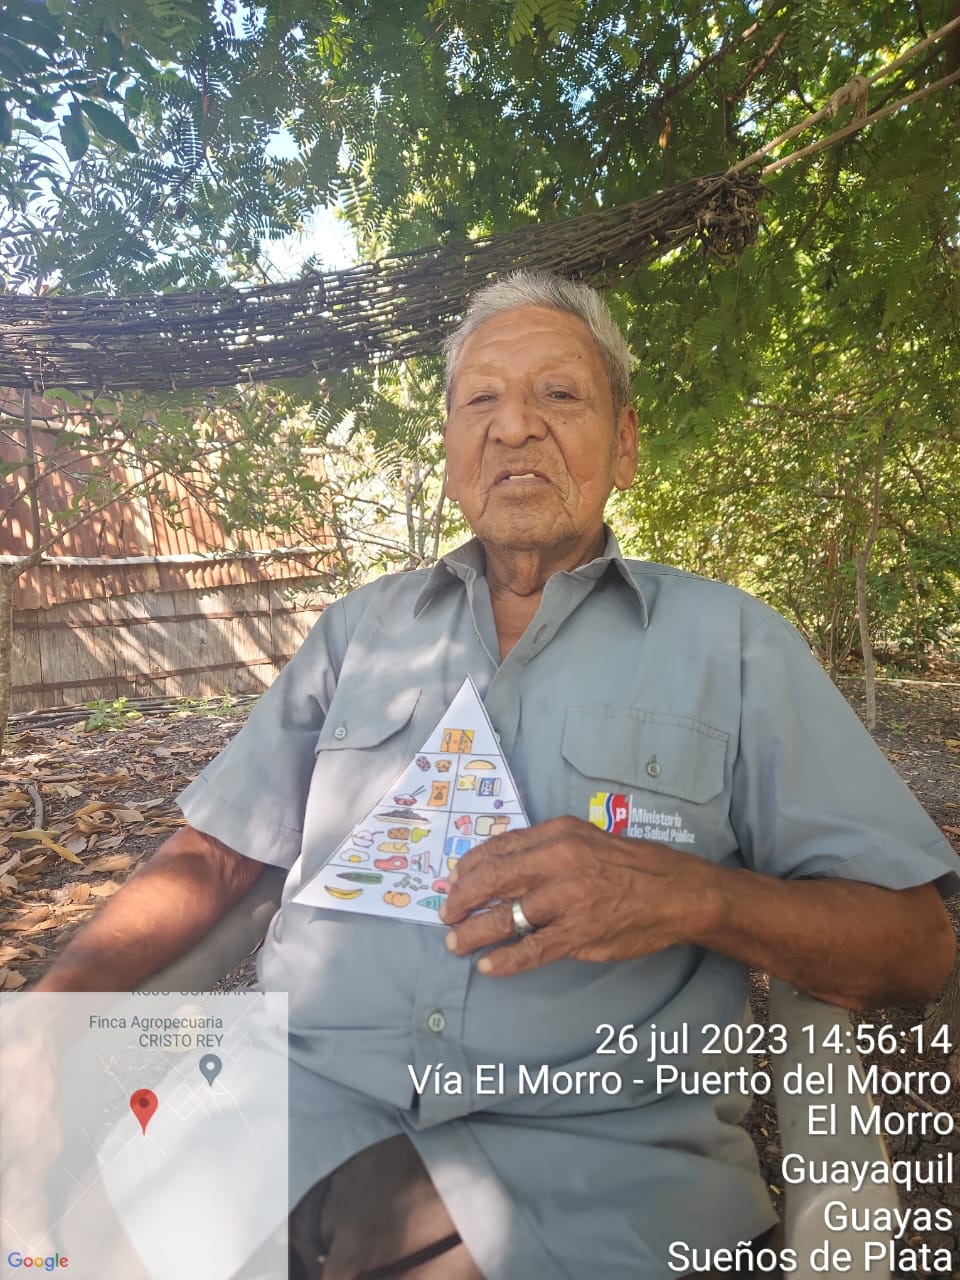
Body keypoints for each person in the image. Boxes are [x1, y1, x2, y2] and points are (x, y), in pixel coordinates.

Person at [33, 272, 959, 1280]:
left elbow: (915, 945)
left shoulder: (734, 647)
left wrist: (692, 895)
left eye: (559, 394)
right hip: (265, 1124)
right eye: (482, 398)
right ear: (450, 452)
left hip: (585, 1177)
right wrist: (47, 1019)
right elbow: (212, 855)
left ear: (627, 445)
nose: (514, 425)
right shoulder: (357, 633)